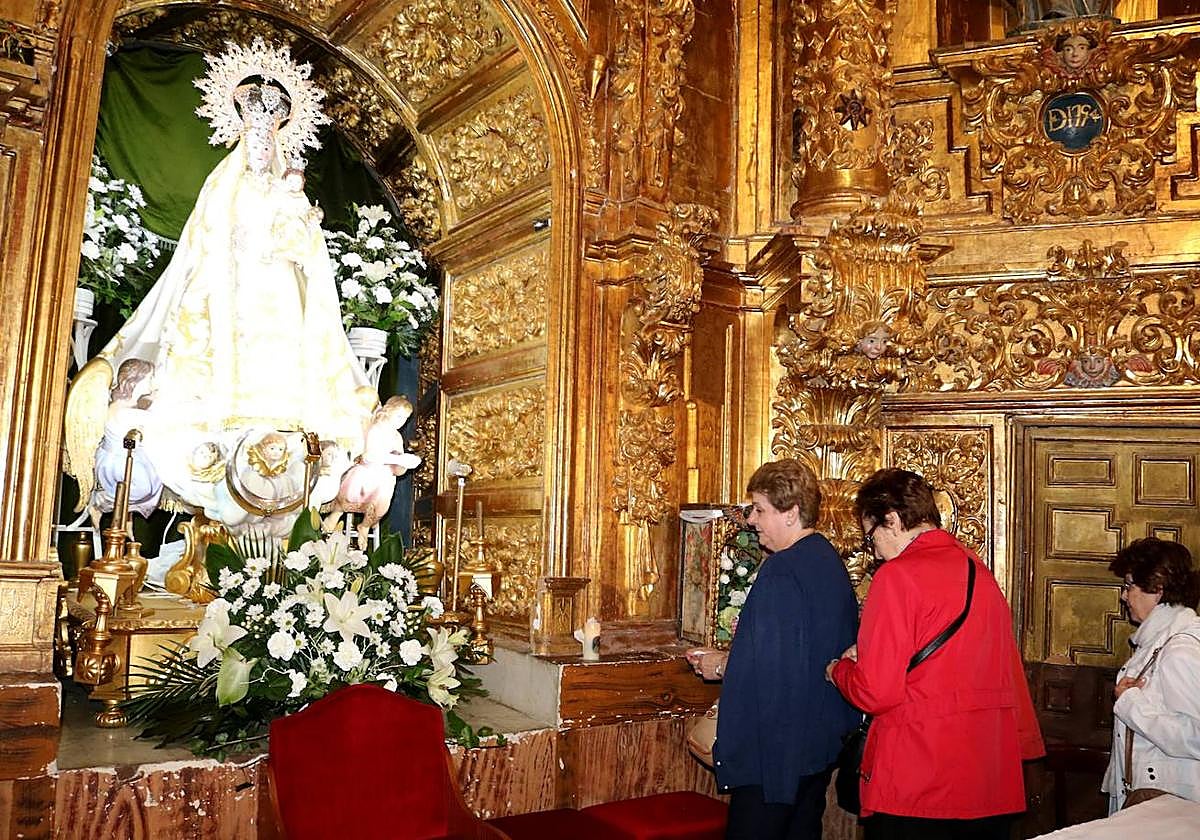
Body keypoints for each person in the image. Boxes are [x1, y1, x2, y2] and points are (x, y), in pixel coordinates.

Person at [66, 40, 374, 534]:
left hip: (281, 303)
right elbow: (202, 246)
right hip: (231, 300)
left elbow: (306, 254)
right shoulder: (222, 186)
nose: (260, 146)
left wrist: (300, 220)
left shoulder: (290, 190)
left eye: (268, 137)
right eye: (253, 134)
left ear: (278, 140)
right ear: (241, 133)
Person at [827, 468, 1044, 840]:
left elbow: (876, 692)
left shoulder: (896, 577)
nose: (873, 550)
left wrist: (840, 670)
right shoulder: (980, 572)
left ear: (891, 520)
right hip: (988, 776)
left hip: (919, 776)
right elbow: (1007, 669)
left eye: (871, 537)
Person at [687, 459, 860, 840]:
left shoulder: (782, 571)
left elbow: (770, 667)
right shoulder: (828, 561)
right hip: (816, 746)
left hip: (775, 752)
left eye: (760, 509)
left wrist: (720, 666)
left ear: (791, 512)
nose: (751, 519)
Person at [1101, 537, 1200, 812]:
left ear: (1157, 587)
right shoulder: (1160, 642)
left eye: (1129, 585)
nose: (1124, 596)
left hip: (1172, 811)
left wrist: (1131, 703)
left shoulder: (1179, 650)